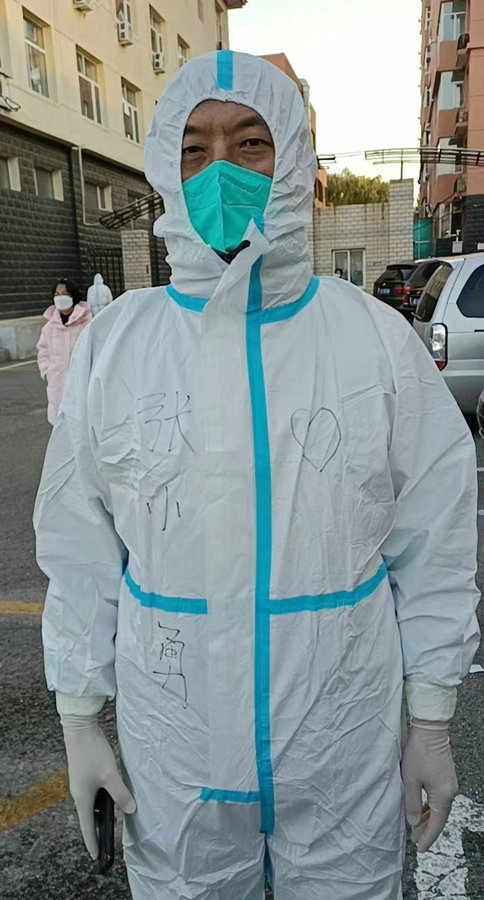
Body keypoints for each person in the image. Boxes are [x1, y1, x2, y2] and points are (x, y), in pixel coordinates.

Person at [34, 51, 480, 900]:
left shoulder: (371, 342)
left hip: (340, 743)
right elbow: (79, 544)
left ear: (296, 162)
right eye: (194, 149)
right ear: (165, 166)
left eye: (250, 144)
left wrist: (430, 719)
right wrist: (79, 716)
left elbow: (436, 537)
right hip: (178, 748)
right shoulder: (117, 347)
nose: (221, 171)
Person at [36, 278, 92, 425]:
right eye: (57, 294)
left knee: (82, 425)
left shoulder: (88, 324)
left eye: (65, 293)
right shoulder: (49, 328)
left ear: (73, 296)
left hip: (82, 382)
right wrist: (47, 371)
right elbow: (43, 351)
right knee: (59, 426)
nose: (60, 297)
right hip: (57, 383)